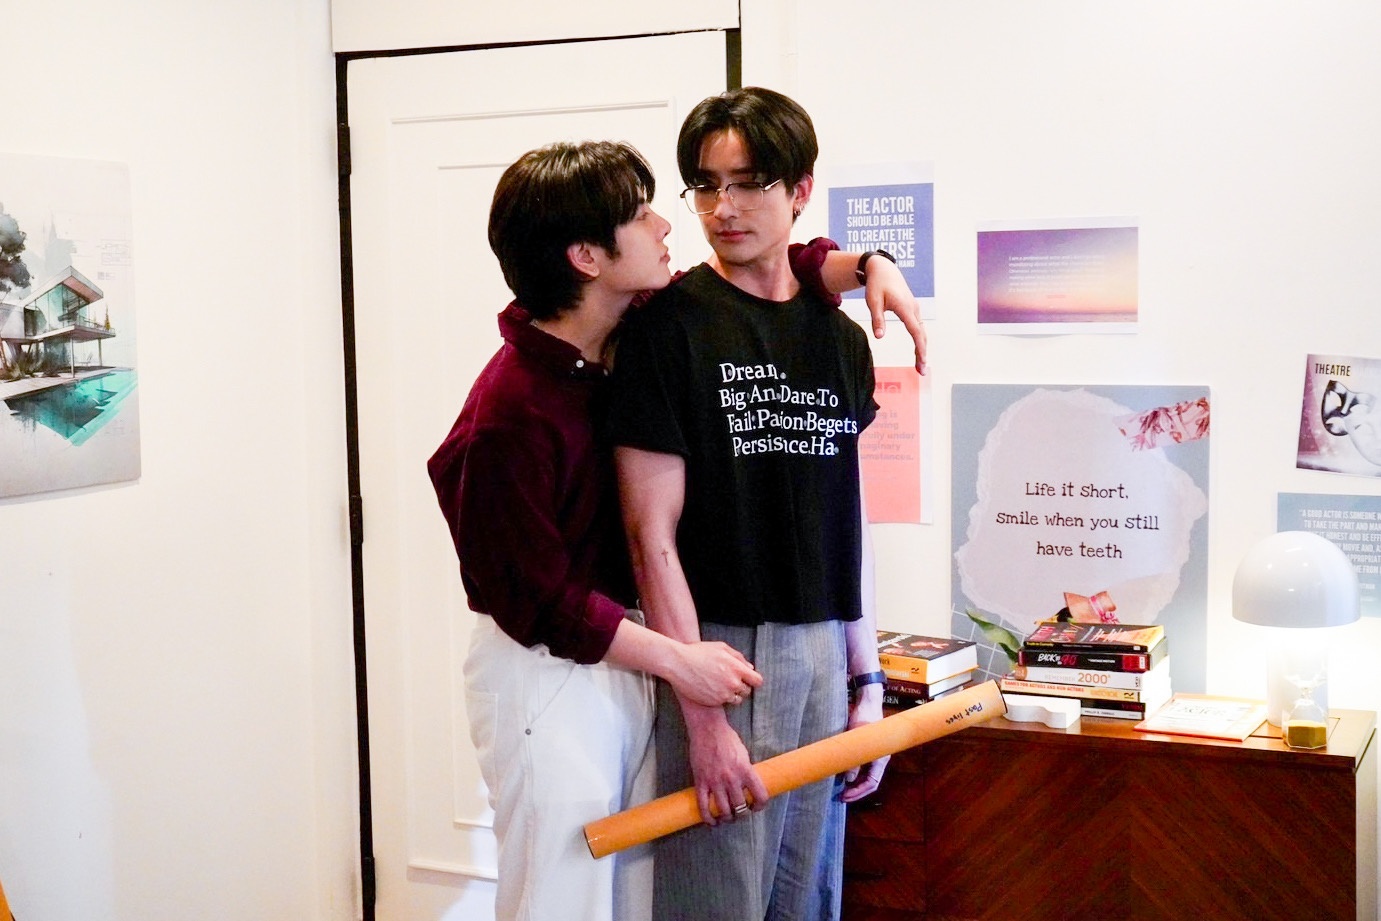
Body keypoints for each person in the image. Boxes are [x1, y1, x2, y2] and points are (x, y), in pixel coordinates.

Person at [427, 139, 920, 921]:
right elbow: (537, 600)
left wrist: (865, 265)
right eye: (640, 213)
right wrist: (680, 662)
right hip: (544, 668)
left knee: (631, 893)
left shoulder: (623, 333)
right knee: (561, 893)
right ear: (587, 256)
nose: (668, 224)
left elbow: (769, 264)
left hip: (627, 656)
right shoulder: (508, 413)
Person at [608, 88, 890, 921]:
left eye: (747, 183)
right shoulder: (669, 326)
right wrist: (702, 721)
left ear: (799, 190)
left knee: (807, 898)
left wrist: (867, 679)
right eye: (705, 185)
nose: (722, 208)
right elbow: (649, 536)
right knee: (717, 899)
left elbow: (846, 517)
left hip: (822, 645)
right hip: (719, 648)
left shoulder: (839, 337)